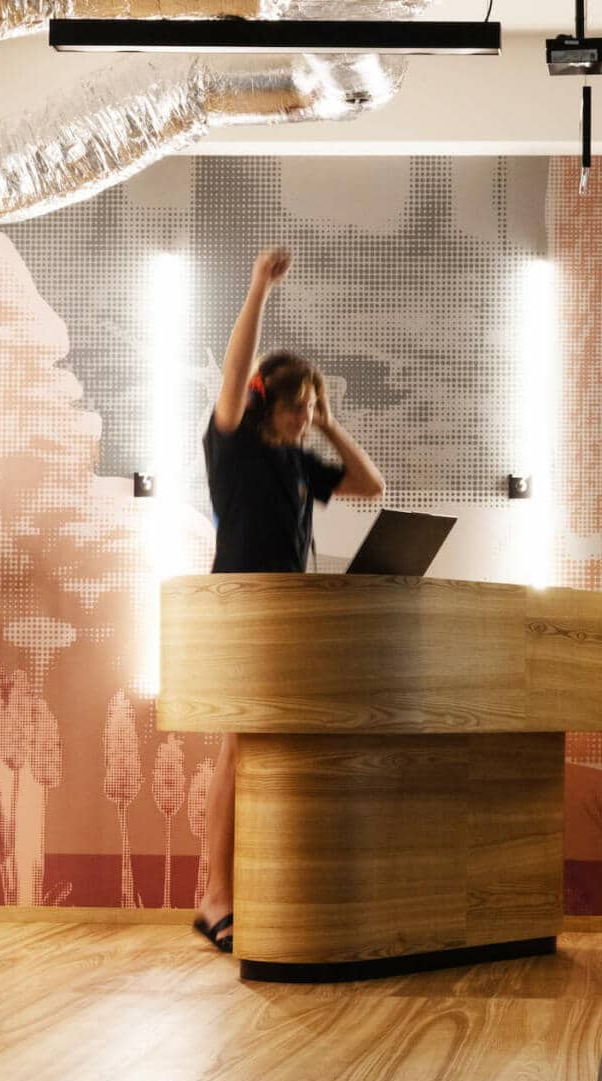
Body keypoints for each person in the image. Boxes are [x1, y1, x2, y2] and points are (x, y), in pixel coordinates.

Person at [193, 246, 386, 953]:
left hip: (289, 616)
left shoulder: (299, 459)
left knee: (258, 755)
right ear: (266, 401)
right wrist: (256, 289)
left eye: (311, 409)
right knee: (237, 752)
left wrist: (331, 421)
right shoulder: (236, 442)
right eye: (299, 408)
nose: (305, 418)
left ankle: (237, 889)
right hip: (242, 609)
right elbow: (234, 367)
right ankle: (214, 895)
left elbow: (372, 487)